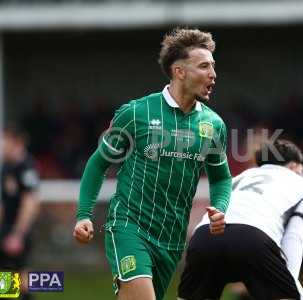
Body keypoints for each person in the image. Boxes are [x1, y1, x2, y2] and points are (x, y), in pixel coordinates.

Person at [73, 27, 232, 300]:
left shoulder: (213, 125)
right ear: (179, 71)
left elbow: (221, 178)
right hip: (129, 226)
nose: (213, 74)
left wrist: (219, 208)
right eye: (204, 66)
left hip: (171, 239)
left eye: (213, 67)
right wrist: (83, 215)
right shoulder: (137, 113)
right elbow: (99, 163)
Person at [178, 139, 303, 300]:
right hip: (253, 239)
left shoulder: (239, 177)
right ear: (293, 166)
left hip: (203, 237)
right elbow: (294, 237)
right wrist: (288, 283)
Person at [0, 125, 41, 300]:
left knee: (17, 275)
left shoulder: (26, 166)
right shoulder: (7, 166)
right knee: (10, 275)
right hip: (7, 230)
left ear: (15, 141)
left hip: (16, 231)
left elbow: (31, 202)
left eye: (4, 139)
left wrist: (18, 234)